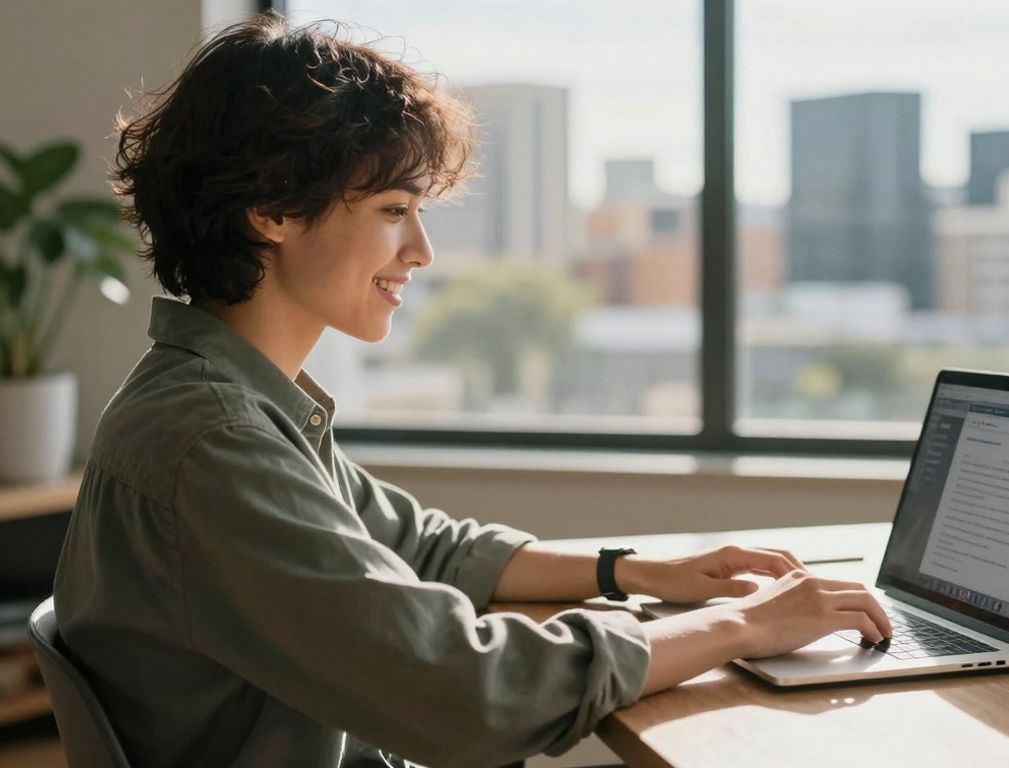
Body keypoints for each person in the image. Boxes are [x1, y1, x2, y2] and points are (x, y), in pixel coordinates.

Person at [53, 12, 893, 768]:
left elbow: (426, 549)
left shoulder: (232, 400)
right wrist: (743, 626)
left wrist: (647, 572)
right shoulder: (213, 439)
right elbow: (464, 695)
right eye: (391, 208)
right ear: (270, 210)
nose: (421, 250)